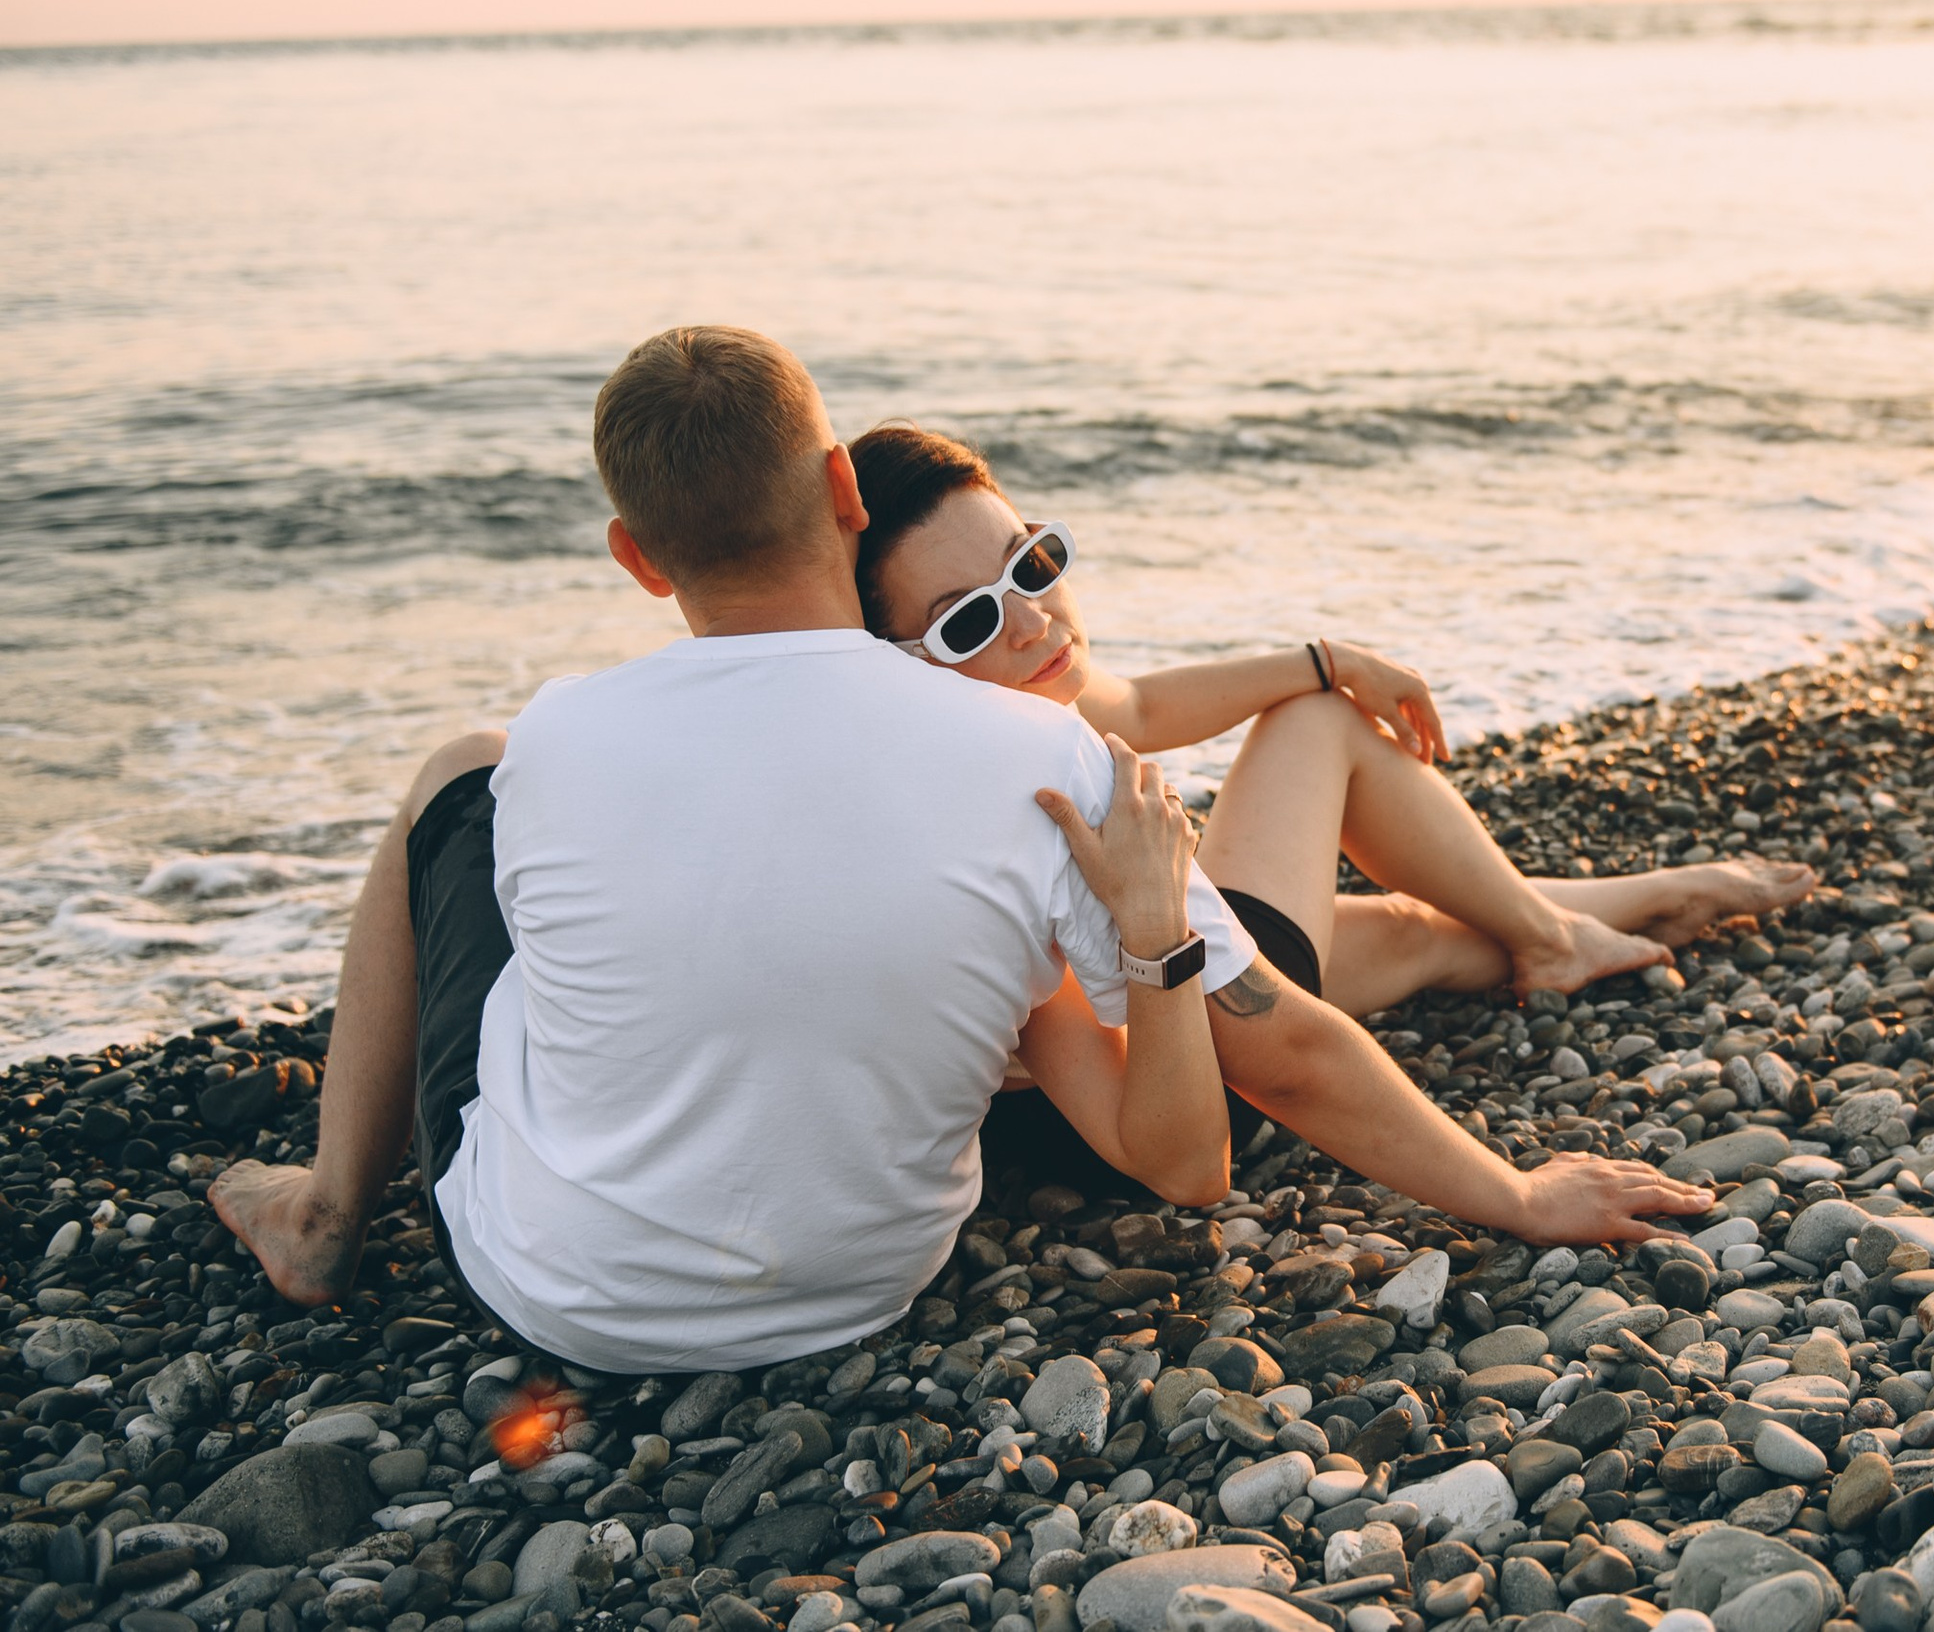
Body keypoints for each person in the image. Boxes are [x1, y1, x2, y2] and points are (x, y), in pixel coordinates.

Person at [212, 327, 1714, 1371]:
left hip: (547, 1296)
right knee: (1328, 942)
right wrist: (1516, 1197)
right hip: (863, 1290)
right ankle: (1550, 918)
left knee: (450, 781)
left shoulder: (550, 739)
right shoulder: (1036, 757)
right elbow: (1283, 1064)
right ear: (846, 493)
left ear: (635, 557)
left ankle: (329, 1212)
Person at [848, 423, 1817, 1020]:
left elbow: (1141, 706)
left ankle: (1641, 902)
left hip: (1199, 993)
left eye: (1034, 561)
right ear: (899, 659)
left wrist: (1329, 656)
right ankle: (1566, 932)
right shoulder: (983, 776)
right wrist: (1324, 681)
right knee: (1317, 725)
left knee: (1416, 932)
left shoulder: (989, 706)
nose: (1030, 620)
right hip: (1187, 1046)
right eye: (969, 619)